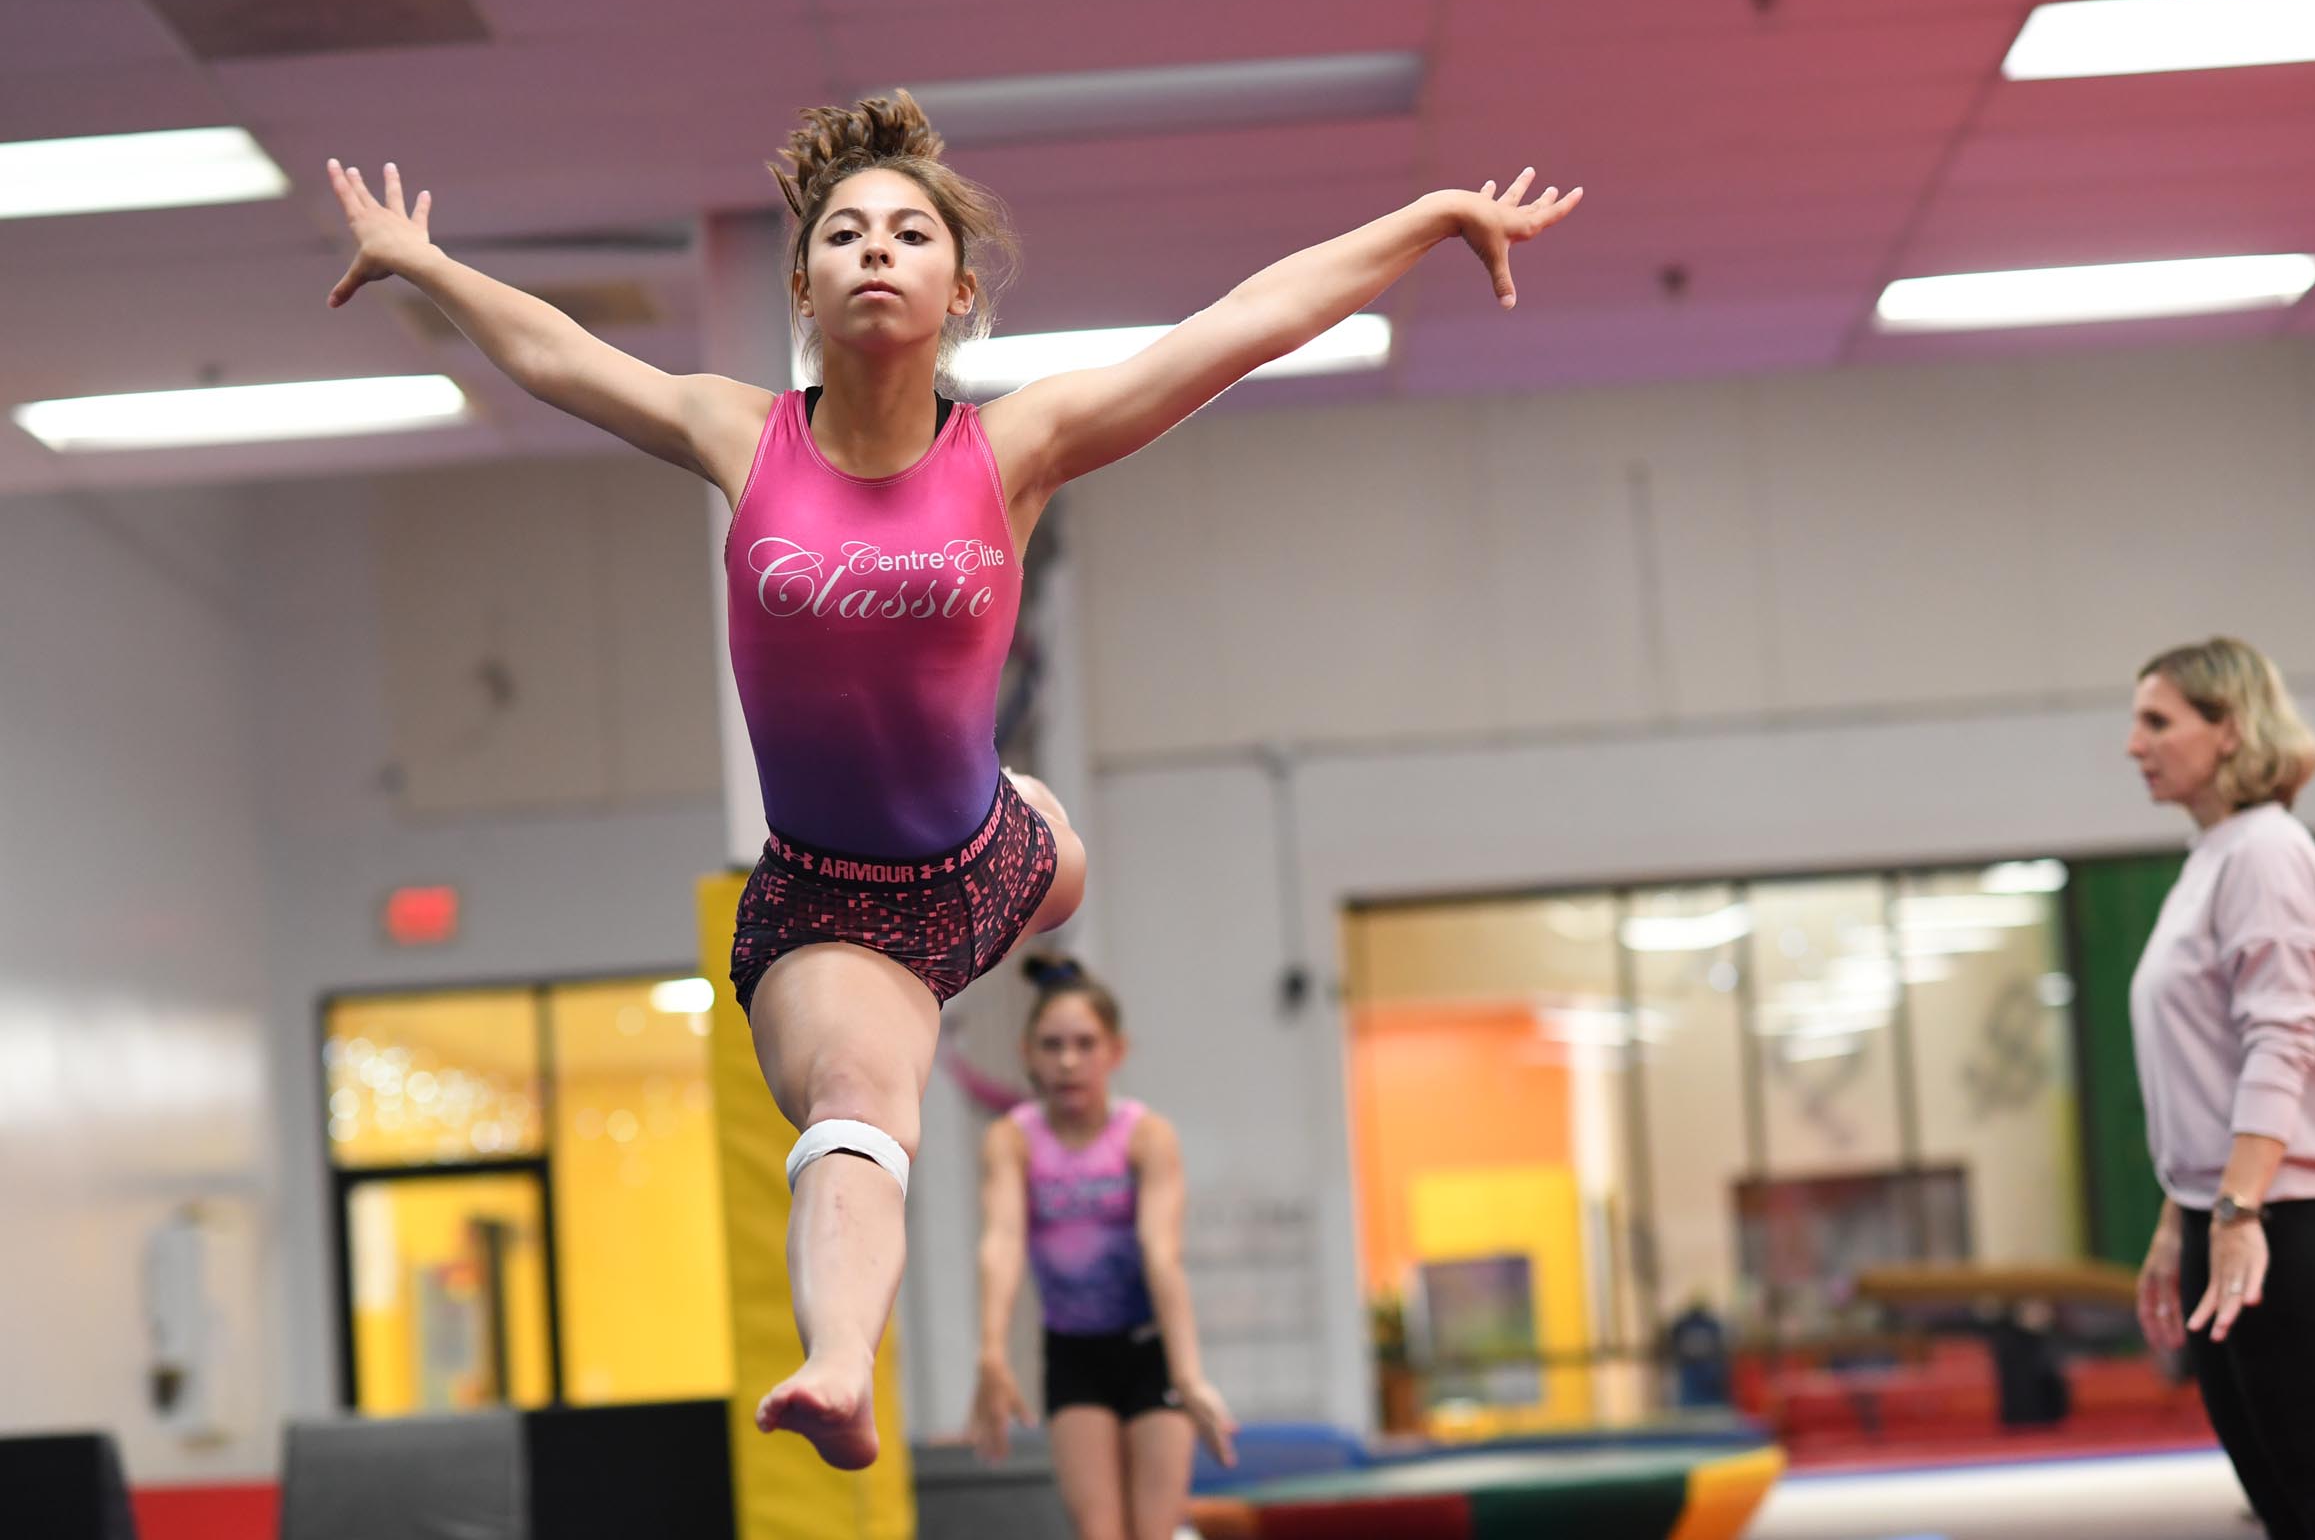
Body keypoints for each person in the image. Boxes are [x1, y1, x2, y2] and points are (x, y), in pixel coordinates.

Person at [323, 91, 1577, 1470]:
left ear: (957, 288)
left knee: (1055, 857)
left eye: (909, 233)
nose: (875, 251)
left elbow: (1241, 327)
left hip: (989, 856)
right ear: (800, 283)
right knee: (864, 1095)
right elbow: (559, 358)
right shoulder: (744, 438)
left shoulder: (1014, 448)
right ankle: (841, 1369)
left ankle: (1034, 811)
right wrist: (429, 264)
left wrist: (1432, 217)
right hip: (831, 903)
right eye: (844, 233)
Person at [2126, 637, 2315, 1538]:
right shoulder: (2213, 859)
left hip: (2278, 1218)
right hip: (2225, 1212)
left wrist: (2237, 1214)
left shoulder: (2266, 856)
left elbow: (2281, 1043)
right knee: (2284, 1508)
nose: (2134, 745)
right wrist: (2180, 1217)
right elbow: (2204, 1072)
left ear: (2229, 730)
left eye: (2158, 721)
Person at [970, 956, 1232, 1540]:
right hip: (1073, 1354)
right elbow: (1003, 1240)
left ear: (1116, 1051)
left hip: (1148, 1349)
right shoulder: (1013, 1140)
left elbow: (1161, 1255)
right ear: (1027, 1053)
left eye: (1085, 1044)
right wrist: (991, 1351)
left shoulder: (1145, 1136)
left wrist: (1187, 1376)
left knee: (1154, 1531)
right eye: (1052, 1045)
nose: (1068, 1061)